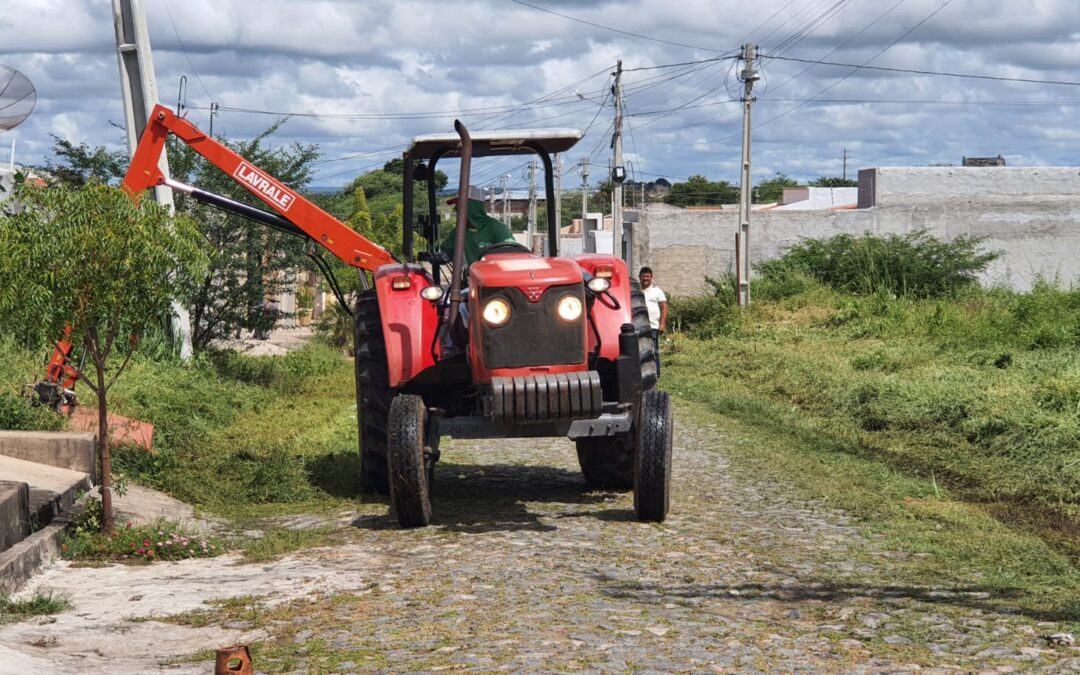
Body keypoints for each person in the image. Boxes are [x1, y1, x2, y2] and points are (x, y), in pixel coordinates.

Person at [439, 185, 516, 267]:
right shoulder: (458, 232)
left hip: (494, 277)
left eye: (459, 207)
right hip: (470, 277)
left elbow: (511, 252)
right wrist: (443, 256)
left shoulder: (497, 228)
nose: (456, 210)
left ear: (472, 208)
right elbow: (446, 250)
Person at [639, 267, 667, 378]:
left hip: (653, 326)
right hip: (638, 326)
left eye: (648, 276)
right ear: (640, 277)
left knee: (653, 350)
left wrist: (662, 324)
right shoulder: (636, 291)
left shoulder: (657, 291)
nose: (645, 278)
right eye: (643, 276)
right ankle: (642, 373)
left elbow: (664, 307)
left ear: (651, 278)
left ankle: (657, 373)